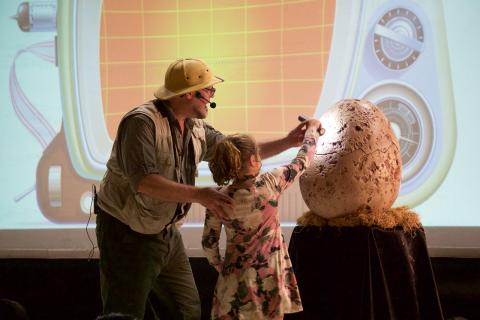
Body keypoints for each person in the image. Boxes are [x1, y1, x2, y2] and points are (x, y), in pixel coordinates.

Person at [95, 58, 312, 320]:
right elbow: (144, 182)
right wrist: (200, 194)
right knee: (124, 313)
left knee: (186, 309)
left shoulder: (196, 127)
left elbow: (239, 155)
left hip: (166, 232)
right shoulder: (141, 123)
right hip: (127, 233)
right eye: (208, 90)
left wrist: (289, 141)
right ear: (188, 94)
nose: (211, 96)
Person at [202, 119, 322, 319]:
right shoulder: (271, 183)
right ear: (252, 161)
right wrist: (312, 130)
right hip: (269, 279)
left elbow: (208, 244)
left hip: (233, 283)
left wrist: (221, 266)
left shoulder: (218, 199)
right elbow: (303, 159)